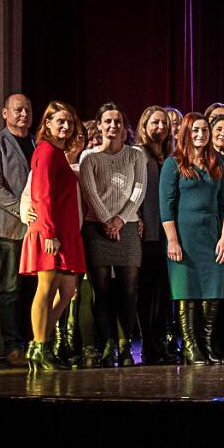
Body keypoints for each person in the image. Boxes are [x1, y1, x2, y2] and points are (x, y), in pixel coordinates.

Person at [160, 112, 224, 365]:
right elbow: (166, 204)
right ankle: (190, 347)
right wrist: (172, 240)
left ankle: (206, 344)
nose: (200, 134)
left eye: (204, 129)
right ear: (185, 133)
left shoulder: (217, 163)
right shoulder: (174, 163)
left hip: (211, 235)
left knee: (212, 292)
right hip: (184, 235)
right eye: (195, 130)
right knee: (187, 291)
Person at [78, 103, 147, 367]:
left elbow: (139, 190)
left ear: (124, 126)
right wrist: (108, 220)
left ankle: (125, 345)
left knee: (129, 291)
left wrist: (119, 220)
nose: (113, 126)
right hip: (97, 228)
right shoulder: (89, 157)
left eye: (117, 121)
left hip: (127, 227)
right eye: (107, 121)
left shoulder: (135, 155)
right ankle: (107, 345)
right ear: (99, 125)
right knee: (102, 291)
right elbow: (90, 194)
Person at [20, 102, 86, 371]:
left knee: (68, 291)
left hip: (66, 231)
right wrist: (49, 233)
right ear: (47, 123)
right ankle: (39, 347)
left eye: (69, 122)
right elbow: (41, 195)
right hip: (51, 231)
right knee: (45, 290)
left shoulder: (58, 154)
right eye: (59, 121)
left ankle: (40, 342)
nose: (65, 126)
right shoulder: (45, 152)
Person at [0, 92, 35, 366]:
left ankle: (32, 342)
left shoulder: (38, 143)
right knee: (11, 287)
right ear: (5, 113)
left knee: (33, 287)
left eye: (27, 109)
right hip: (10, 226)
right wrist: (24, 211)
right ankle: (13, 346)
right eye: (18, 109)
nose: (24, 114)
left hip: (36, 228)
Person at [135, 105, 178, 364]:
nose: (160, 127)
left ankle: (161, 343)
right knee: (147, 292)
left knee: (163, 294)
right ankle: (149, 346)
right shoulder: (138, 154)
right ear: (145, 125)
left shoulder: (170, 156)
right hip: (148, 232)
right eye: (155, 123)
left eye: (164, 123)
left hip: (168, 234)